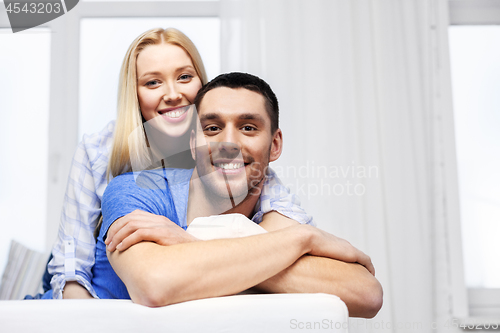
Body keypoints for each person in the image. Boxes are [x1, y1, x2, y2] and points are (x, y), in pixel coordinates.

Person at [46, 28, 313, 300]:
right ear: (134, 95)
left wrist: (189, 242)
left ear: (201, 84)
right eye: (153, 83)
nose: (172, 94)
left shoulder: (232, 156)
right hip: (97, 272)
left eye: (184, 77)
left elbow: (287, 230)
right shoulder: (99, 150)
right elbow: (71, 268)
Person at [93, 72, 383, 318]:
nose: (228, 143)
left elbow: (366, 293)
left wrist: (193, 243)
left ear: (275, 144)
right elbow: (154, 284)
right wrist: (304, 239)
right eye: (212, 128)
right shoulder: (136, 190)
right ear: (193, 142)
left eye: (248, 127)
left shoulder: (276, 207)